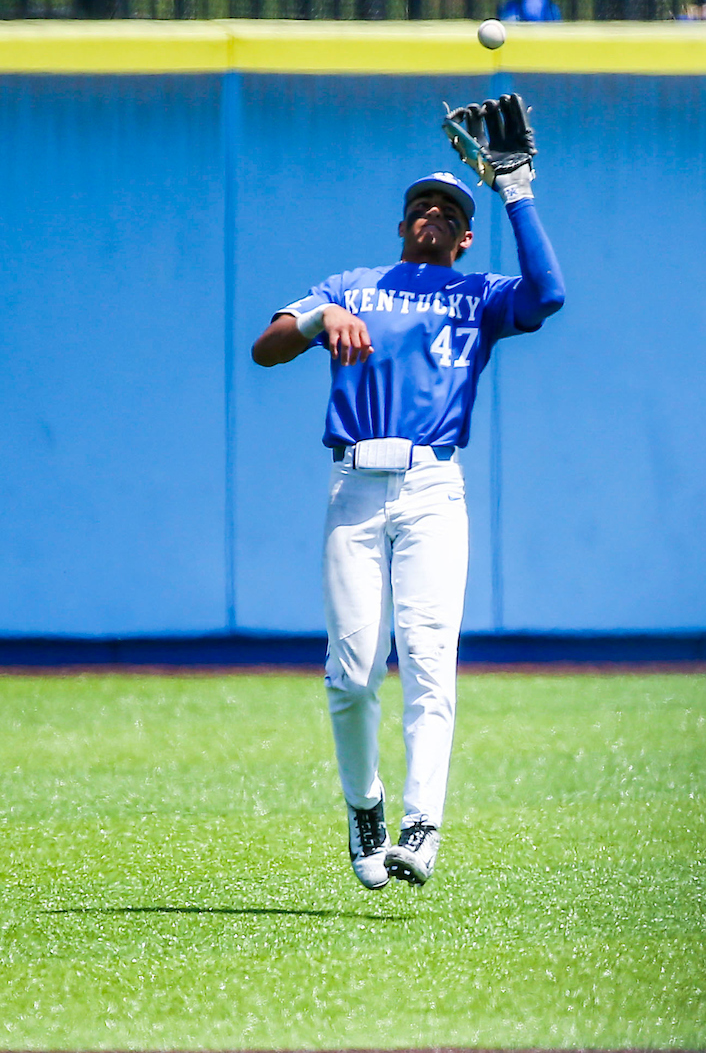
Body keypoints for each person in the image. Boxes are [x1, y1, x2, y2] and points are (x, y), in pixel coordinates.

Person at [252, 106, 565, 890]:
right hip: (355, 485)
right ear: (402, 224)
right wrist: (324, 315)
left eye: (452, 210)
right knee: (353, 671)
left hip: (432, 487)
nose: (436, 213)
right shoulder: (351, 287)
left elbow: (549, 294)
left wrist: (516, 191)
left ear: (465, 236)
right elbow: (264, 348)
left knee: (429, 660)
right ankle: (367, 806)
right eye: (425, 204)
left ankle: (422, 826)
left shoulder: (480, 294)